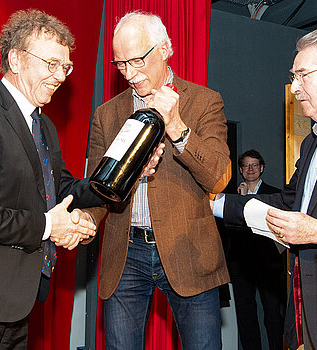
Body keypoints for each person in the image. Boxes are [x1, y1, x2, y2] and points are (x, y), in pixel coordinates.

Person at [85, 11, 231, 350]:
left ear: (165, 48)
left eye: (137, 60)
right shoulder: (106, 114)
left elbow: (219, 178)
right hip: (125, 253)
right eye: (120, 64)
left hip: (188, 251)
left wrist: (177, 127)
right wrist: (80, 221)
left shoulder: (204, 101)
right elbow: (95, 188)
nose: (130, 74)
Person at [0, 9, 108, 349]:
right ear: (16, 59)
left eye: (65, 66)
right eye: (51, 64)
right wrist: (49, 227)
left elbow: (63, 189)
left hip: (18, 300)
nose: (60, 76)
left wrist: (115, 179)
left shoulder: (43, 124)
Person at [212, 27, 317, 350]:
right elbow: (286, 203)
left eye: (303, 75)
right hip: (304, 301)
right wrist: (215, 203)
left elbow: (314, 227)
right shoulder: (311, 143)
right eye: (294, 76)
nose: (294, 88)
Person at [225, 149, 285, 350]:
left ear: (262, 168)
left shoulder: (275, 194)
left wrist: (246, 203)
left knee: (273, 314)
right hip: (240, 264)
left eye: (254, 165)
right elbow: (229, 229)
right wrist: (240, 200)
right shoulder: (232, 197)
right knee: (245, 315)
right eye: (246, 165)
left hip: (268, 262)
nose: (251, 169)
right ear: (241, 170)